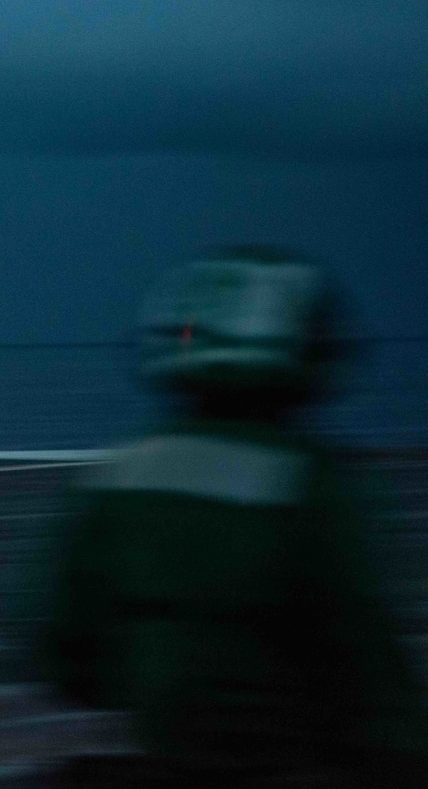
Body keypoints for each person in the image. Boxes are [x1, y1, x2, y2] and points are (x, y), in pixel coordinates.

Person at [39, 247, 426, 786]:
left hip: (160, 759)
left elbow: (63, 657)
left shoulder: (121, 471)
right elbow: (371, 659)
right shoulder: (307, 480)